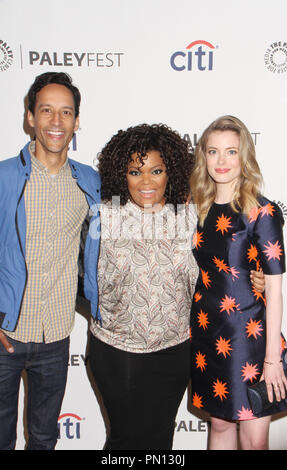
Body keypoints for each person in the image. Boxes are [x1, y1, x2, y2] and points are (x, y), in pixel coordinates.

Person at [87, 123, 264, 450]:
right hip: (116, 351)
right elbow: (79, 277)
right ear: (120, 174)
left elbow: (227, 261)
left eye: (156, 170)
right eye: (134, 171)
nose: (146, 181)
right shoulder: (103, 217)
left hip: (174, 351)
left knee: (160, 438)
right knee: (127, 438)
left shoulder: (192, 216)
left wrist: (258, 275)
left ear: (171, 171)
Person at [0, 72, 101, 450]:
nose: (56, 122)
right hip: (5, 332)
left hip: (56, 335)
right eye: (46, 111)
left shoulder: (90, 181)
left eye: (66, 113)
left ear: (77, 121)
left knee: (44, 439)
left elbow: (145, 210)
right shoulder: (4, 177)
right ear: (30, 117)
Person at [189, 115, 287, 450]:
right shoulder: (195, 208)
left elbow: (274, 289)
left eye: (231, 152)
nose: (221, 161)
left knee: (254, 438)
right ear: (203, 156)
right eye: (213, 151)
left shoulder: (263, 212)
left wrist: (272, 359)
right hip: (206, 332)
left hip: (251, 338)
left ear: (243, 156)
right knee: (218, 426)